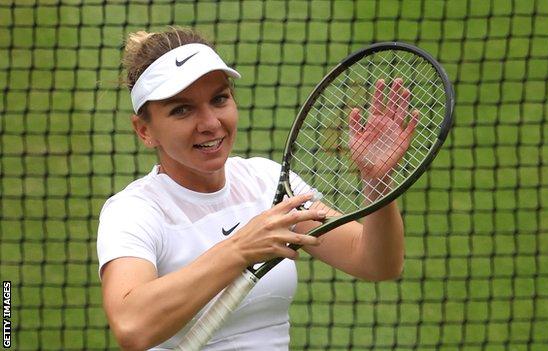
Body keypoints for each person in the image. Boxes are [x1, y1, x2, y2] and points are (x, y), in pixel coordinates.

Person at [98, 27, 408, 351]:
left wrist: (377, 182)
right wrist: (240, 248)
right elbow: (131, 325)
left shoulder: (265, 182)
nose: (210, 123)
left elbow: (376, 262)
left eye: (219, 99)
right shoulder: (134, 211)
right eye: (182, 110)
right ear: (145, 130)